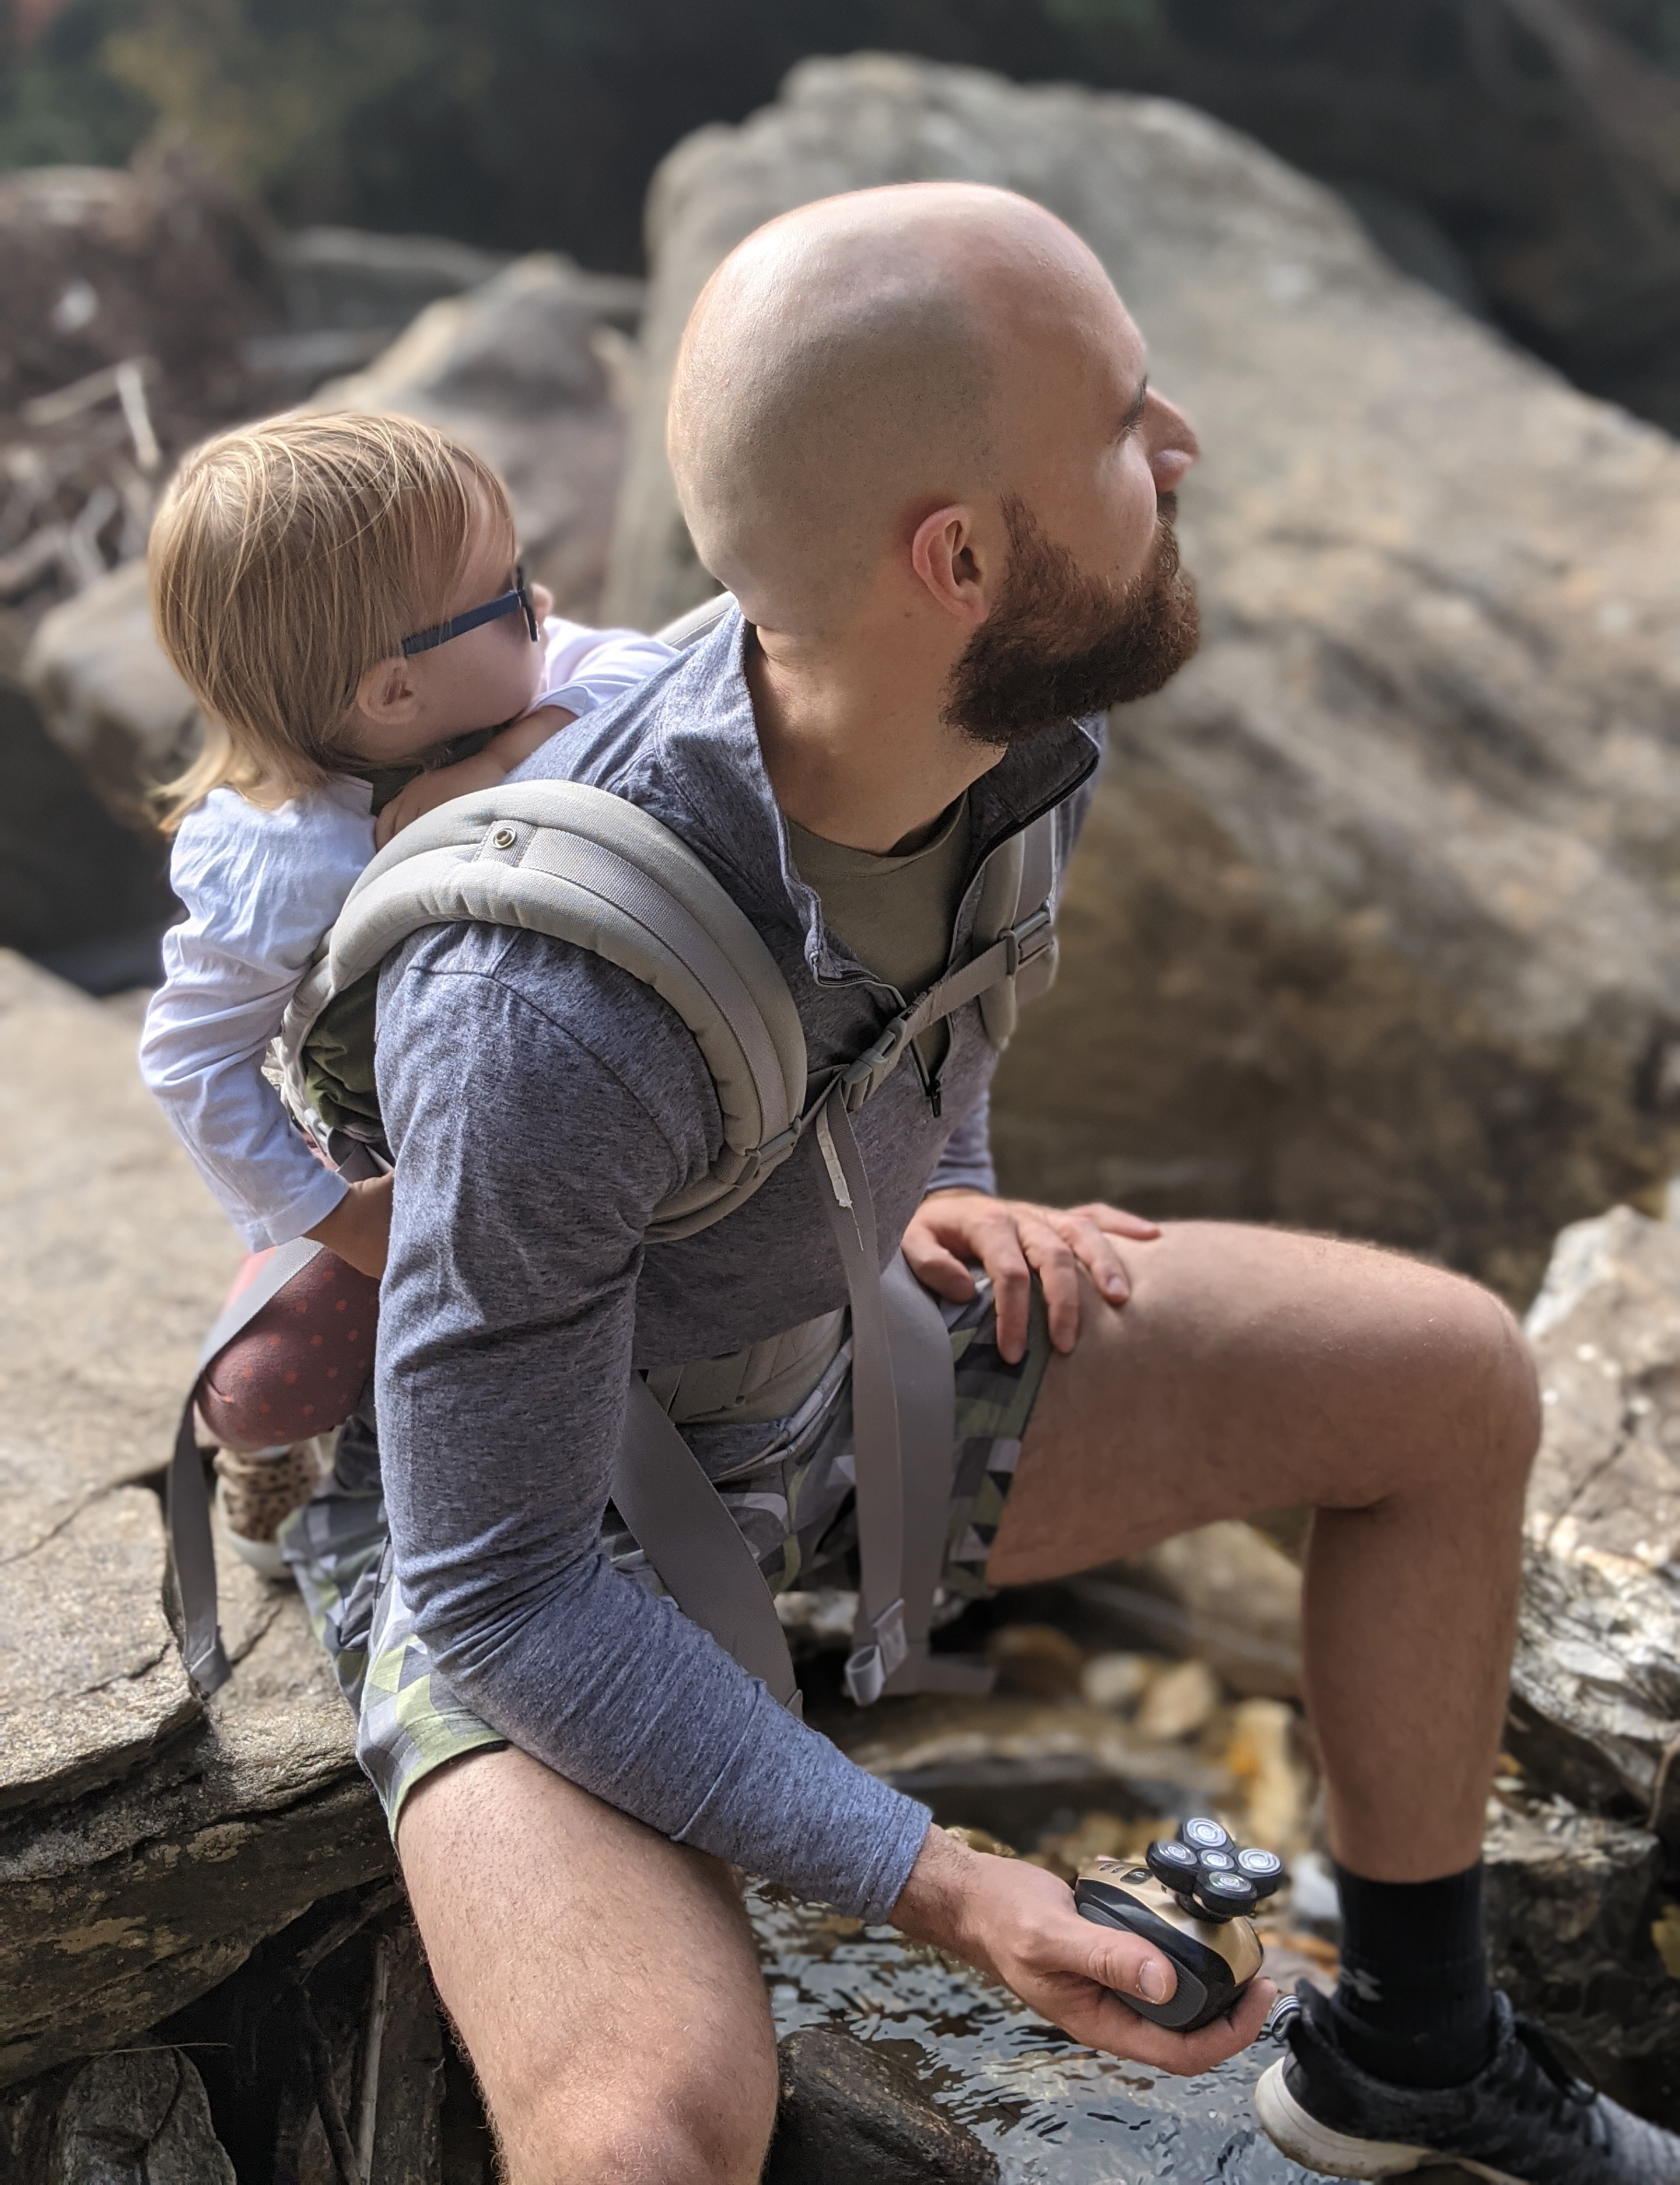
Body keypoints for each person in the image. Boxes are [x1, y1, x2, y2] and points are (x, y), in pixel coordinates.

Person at [281, 186, 1680, 2184]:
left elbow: (926, 1051)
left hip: (840, 1402)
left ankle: (1419, 2057)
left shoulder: (1024, 750)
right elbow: (495, 1584)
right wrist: (941, 1882)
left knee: (1447, 1377)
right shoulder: (543, 1010)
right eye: (1121, 425)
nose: (1181, 442)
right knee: (650, 2130)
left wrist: (962, 1187)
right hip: (555, 1541)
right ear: (958, 559)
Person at [137, 410, 673, 1566]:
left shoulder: (507, 688)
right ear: (391, 696)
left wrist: (490, 767)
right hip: (391, 1166)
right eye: (510, 590)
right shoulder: (289, 869)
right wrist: (335, 1216)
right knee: (261, 1383)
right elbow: (188, 1057)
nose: (542, 606)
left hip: (562, 1125)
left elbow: (654, 675)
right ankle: (268, 1452)